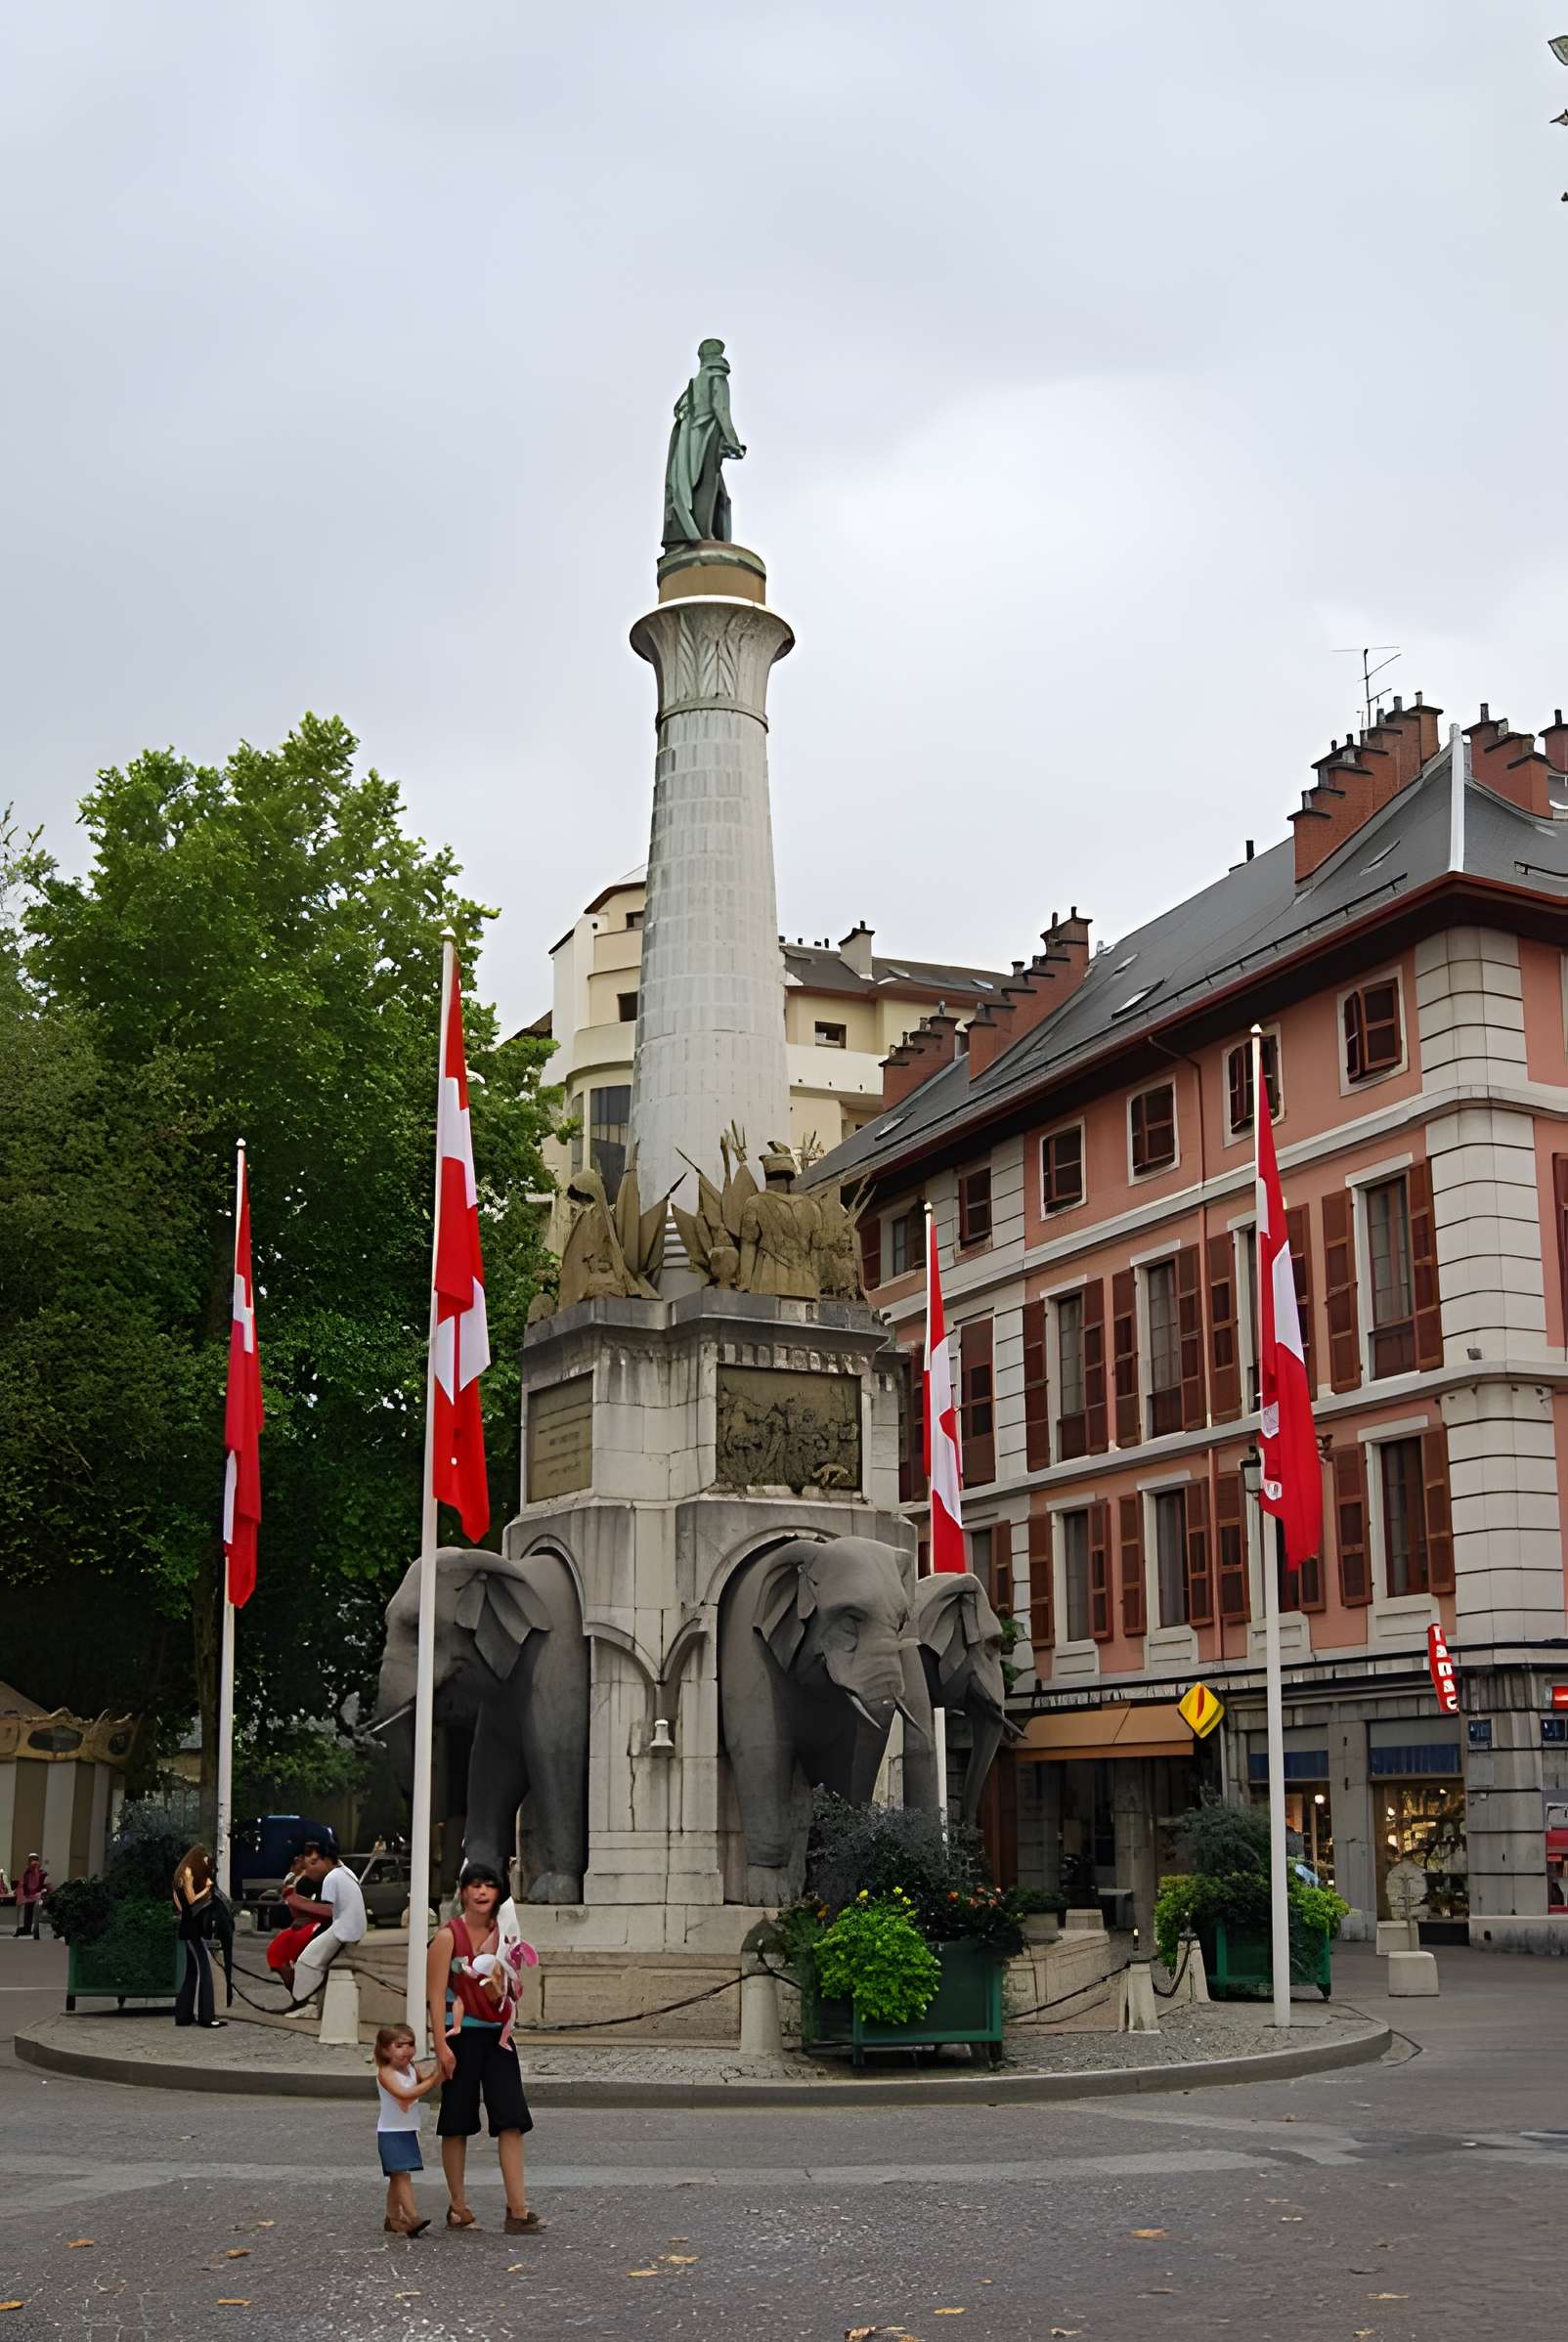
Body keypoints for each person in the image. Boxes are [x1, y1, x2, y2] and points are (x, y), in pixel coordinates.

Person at [426, 1861, 543, 2234]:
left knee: (511, 2119)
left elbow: (508, 1988)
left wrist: (499, 1985)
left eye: (488, 1886)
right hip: (461, 2036)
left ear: (498, 1893)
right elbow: (433, 1995)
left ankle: (517, 2209)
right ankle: (457, 2206)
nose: (480, 1893)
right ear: (462, 1891)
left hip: (498, 2037)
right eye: (473, 1885)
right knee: (456, 2121)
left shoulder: (507, 1935)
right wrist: (441, 2045)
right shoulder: (448, 1936)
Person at [283, 1838, 367, 2013]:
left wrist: (295, 1900)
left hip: (343, 1928)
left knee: (307, 1961)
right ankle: (305, 2000)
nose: (309, 1869)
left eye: (313, 1863)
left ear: (327, 1860)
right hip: (350, 1925)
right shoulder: (346, 1873)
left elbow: (327, 1910)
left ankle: (306, 2004)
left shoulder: (332, 1878)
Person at [373, 2023, 440, 2236]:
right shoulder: (386, 2073)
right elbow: (405, 2095)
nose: (407, 2050)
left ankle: (393, 2218)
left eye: (410, 2044)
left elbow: (419, 2084)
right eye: (399, 2045)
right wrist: (434, 2080)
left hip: (407, 2129)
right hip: (391, 2132)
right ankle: (412, 2218)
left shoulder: (411, 2068)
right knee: (402, 2176)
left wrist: (437, 2071)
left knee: (397, 2175)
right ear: (385, 2050)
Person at [172, 1845, 224, 2028]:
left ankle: (184, 2015)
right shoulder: (187, 1872)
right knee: (204, 1970)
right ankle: (206, 2016)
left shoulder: (183, 1872)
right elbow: (191, 1899)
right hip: (192, 1929)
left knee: (192, 1972)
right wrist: (207, 1889)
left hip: (190, 1927)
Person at [14, 1854, 47, 1939]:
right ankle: (24, 1929)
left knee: (31, 1913)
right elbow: (29, 1885)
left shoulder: (35, 1872)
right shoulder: (29, 1873)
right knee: (29, 1912)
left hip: (30, 1896)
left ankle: (26, 1929)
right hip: (27, 1896)